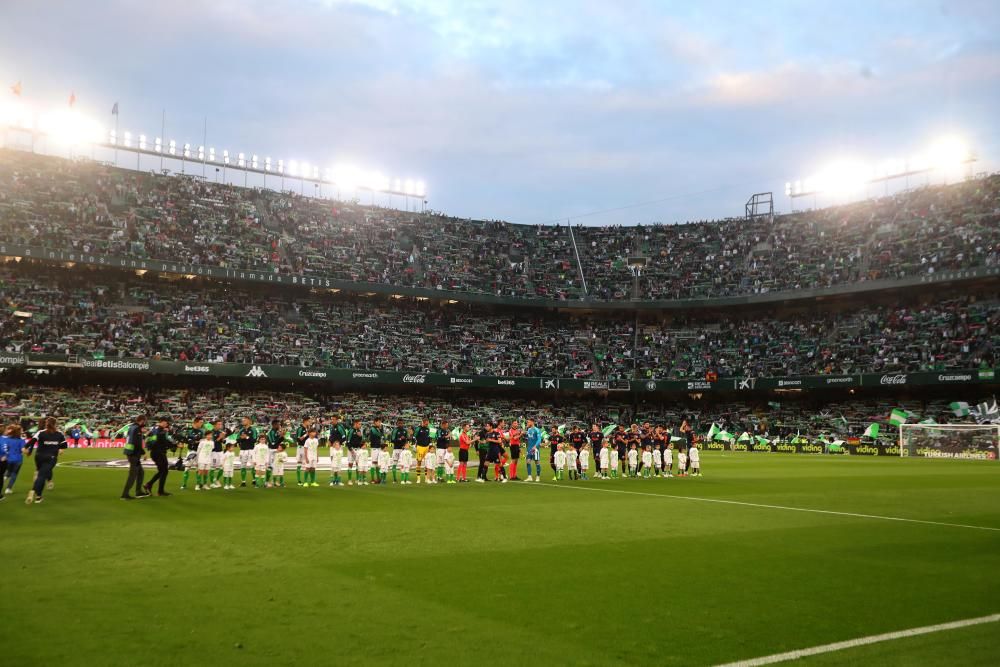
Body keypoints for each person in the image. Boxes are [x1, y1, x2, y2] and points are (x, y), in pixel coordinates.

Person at [26, 418, 68, 505]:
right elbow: (64, 446)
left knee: (40, 473)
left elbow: (31, 441)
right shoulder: (59, 433)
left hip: (39, 456)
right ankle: (33, 491)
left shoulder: (41, 432)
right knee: (42, 476)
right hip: (51, 457)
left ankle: (39, 497)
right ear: (55, 424)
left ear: (46, 424)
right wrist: (59, 449)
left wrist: (26, 448)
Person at [143, 417, 177, 497]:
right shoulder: (160, 431)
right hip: (159, 453)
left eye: (167, 423)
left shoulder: (154, 429)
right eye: (165, 423)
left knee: (162, 471)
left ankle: (151, 486)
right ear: (161, 422)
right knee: (164, 471)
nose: (166, 424)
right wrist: (175, 445)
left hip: (155, 452)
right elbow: (164, 441)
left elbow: (148, 439)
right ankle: (157, 489)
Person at [121, 416, 150, 501]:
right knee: (133, 475)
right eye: (144, 421)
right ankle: (125, 494)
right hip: (133, 454)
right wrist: (144, 453)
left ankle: (138, 491)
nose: (145, 423)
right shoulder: (137, 429)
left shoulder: (132, 427)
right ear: (141, 421)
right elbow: (137, 443)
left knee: (140, 472)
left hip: (131, 453)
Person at [179, 417, 205, 490]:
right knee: (187, 467)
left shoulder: (201, 431)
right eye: (200, 422)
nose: (201, 424)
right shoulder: (188, 430)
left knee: (199, 468)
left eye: (202, 422)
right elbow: (185, 439)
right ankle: (184, 484)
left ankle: (198, 483)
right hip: (191, 451)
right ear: (196, 422)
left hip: (199, 452)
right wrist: (195, 441)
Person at [1, 425, 27, 496]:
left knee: (8, 471)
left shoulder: (7, 439)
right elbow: (23, 450)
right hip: (18, 460)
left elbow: (5, 448)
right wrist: (27, 451)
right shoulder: (21, 440)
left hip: (8, 459)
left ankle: (3, 479)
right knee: (14, 474)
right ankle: (8, 489)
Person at [236, 416, 259, 487]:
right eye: (243, 420)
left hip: (251, 450)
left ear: (249, 421)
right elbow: (237, 440)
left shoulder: (253, 429)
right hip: (242, 450)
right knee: (243, 466)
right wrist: (241, 438)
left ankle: (254, 480)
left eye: (244, 420)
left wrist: (247, 437)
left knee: (253, 466)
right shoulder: (241, 430)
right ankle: (243, 482)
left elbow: (254, 440)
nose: (243, 421)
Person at [294, 417, 313, 486]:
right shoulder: (300, 429)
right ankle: (299, 480)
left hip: (307, 448)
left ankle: (307, 480)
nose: (310, 422)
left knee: (308, 464)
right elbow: (299, 439)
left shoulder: (307, 429)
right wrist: (306, 434)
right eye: (309, 421)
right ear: (305, 421)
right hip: (300, 448)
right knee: (299, 464)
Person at [390, 418, 408, 483]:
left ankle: (405, 479)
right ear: (397, 423)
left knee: (404, 464)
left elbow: (406, 439)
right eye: (399, 423)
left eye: (402, 423)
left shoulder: (405, 431)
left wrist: (405, 442)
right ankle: (394, 479)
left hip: (403, 450)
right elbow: (392, 440)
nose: (401, 424)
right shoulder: (395, 430)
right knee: (394, 463)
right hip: (396, 449)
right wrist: (400, 439)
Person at [414, 418, 431, 483]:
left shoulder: (428, 429)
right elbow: (414, 437)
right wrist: (415, 445)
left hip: (427, 447)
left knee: (427, 462)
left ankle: (426, 478)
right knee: (419, 462)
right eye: (426, 423)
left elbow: (429, 437)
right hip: (420, 447)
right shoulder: (418, 428)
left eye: (428, 423)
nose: (427, 424)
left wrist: (430, 444)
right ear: (423, 422)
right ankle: (418, 478)